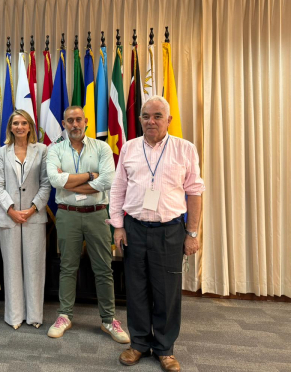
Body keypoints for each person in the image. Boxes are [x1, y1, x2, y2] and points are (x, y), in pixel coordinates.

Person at [109, 96, 204, 372]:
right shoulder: (128, 148)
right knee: (136, 290)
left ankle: (164, 348)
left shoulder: (185, 149)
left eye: (157, 116)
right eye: (146, 116)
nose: (151, 121)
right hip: (134, 229)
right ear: (139, 119)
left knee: (167, 292)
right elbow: (117, 190)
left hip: (170, 231)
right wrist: (117, 226)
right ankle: (139, 343)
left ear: (169, 120)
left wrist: (192, 233)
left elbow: (195, 193)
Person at [46, 106, 129, 343]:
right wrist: (90, 176)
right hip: (67, 214)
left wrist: (69, 183)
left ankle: (108, 319)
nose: (74, 124)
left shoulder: (102, 148)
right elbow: (54, 180)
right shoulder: (55, 149)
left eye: (78, 120)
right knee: (67, 267)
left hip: (97, 214)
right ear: (63, 123)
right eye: (70, 120)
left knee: (103, 268)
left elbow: (107, 181)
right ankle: (64, 315)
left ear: (86, 121)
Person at [0, 110, 51, 330]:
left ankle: (35, 315)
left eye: (23, 123)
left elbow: (46, 183)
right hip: (9, 217)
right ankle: (14, 315)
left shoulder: (42, 150)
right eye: (15, 123)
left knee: (35, 266)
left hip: (34, 216)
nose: (19, 126)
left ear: (30, 127)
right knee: (12, 266)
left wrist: (32, 208)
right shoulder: (1, 152)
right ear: (10, 127)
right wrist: (11, 210)